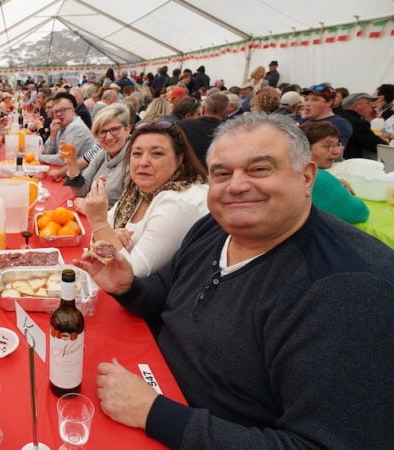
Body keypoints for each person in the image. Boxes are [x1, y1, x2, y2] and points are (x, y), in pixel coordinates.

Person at [79, 112, 394, 449]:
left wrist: (154, 412)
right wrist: (128, 286)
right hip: (147, 380)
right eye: (223, 173)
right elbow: (164, 294)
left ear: (306, 177)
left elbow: (320, 443)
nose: (237, 185)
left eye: (259, 169)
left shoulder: (350, 290)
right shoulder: (214, 227)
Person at [78, 120, 207, 277]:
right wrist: (112, 236)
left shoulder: (179, 202)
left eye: (157, 153)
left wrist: (99, 222)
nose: (144, 162)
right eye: (137, 153)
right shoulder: (138, 190)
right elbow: (97, 240)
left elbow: (130, 274)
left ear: (179, 159)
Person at [64, 104, 133, 207]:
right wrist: (72, 164)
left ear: (127, 129)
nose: (109, 137)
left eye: (115, 129)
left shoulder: (135, 161)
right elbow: (81, 191)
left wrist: (90, 209)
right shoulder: (102, 153)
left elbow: (128, 213)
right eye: (103, 131)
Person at [299, 121, 369, 223]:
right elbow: (360, 213)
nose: (336, 151)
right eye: (327, 146)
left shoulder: (290, 169)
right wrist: (336, 188)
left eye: (337, 145)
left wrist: (334, 183)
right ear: (303, 148)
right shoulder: (315, 177)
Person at [41, 92, 96, 166]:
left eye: (63, 110)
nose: (59, 114)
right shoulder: (61, 125)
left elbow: (63, 160)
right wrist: (52, 136)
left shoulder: (76, 127)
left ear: (73, 110)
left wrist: (39, 157)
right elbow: (46, 152)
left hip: (80, 174)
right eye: (56, 111)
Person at [177, 92, 229, 166]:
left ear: (203, 109)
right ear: (226, 113)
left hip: (184, 172)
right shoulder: (228, 133)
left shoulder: (181, 126)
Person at [338, 92, 387, 159]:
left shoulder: (339, 117)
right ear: (356, 106)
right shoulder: (358, 123)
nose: (372, 106)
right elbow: (377, 146)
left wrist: (368, 119)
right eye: (368, 103)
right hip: (352, 162)